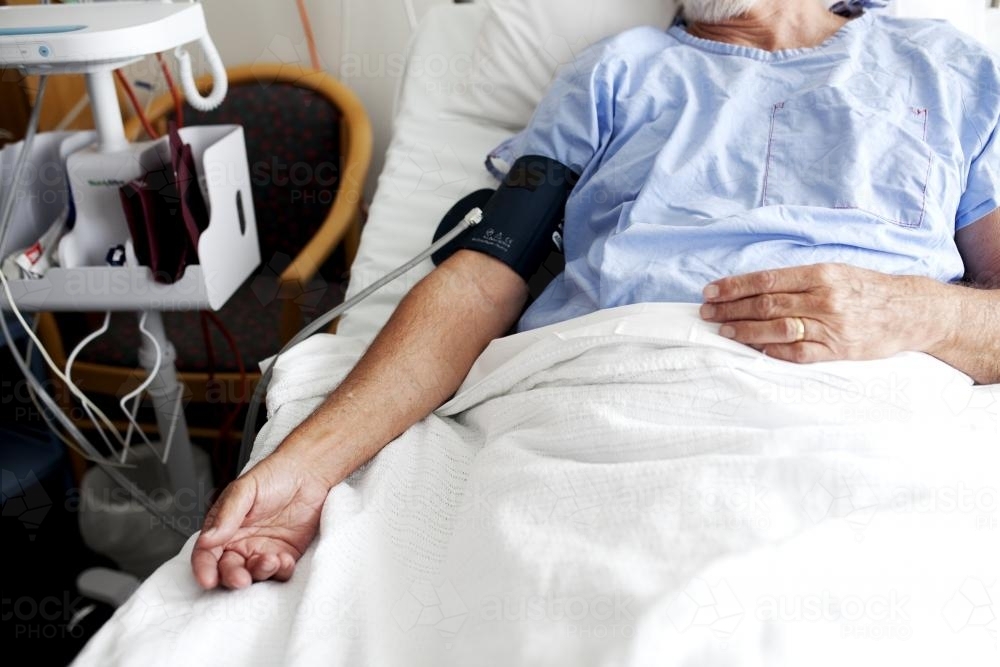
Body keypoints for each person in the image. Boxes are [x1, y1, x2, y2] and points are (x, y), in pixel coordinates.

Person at [191, 0, 999, 590]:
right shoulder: (617, 72)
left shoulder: (949, 67)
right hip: (603, 403)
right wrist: (307, 467)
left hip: (860, 416)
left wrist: (918, 309)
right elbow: (483, 273)